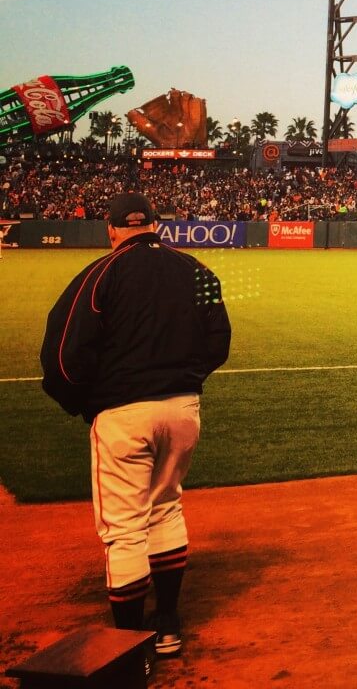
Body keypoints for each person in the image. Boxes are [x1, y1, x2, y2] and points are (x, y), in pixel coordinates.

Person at [40, 192, 231, 661]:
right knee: (165, 508)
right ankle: (167, 625)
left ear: (111, 231)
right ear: (156, 224)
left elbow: (63, 357)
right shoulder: (199, 271)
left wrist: (84, 403)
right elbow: (219, 340)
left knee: (125, 530)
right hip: (183, 409)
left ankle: (128, 647)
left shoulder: (98, 274)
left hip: (123, 415)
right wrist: (187, 380)